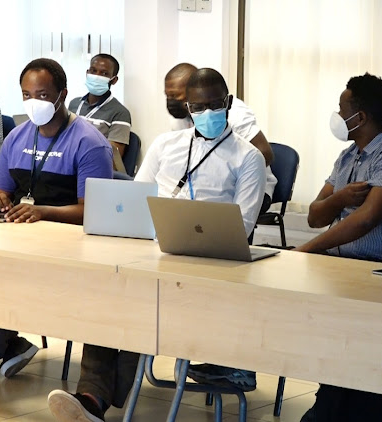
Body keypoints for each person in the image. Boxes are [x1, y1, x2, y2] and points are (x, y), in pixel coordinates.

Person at [47, 68, 266, 422]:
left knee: (145, 302)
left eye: (214, 105)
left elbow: (241, 227)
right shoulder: (167, 145)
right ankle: (92, 397)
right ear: (188, 108)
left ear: (227, 103)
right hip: (151, 250)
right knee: (109, 291)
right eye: (198, 107)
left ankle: (94, 401)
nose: (207, 113)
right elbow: (135, 197)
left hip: (206, 264)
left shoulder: (248, 158)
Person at [0, 58, 113, 380]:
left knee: (2, 275)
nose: (33, 103)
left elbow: (95, 211)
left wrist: (43, 212)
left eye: (42, 95)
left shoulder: (89, 143)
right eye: (26, 95)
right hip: (20, 235)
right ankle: (11, 344)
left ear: (62, 95)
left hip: (70, 246)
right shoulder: (18, 136)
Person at [295, 73, 382, 422]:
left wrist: (307, 250)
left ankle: (334, 407)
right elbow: (314, 215)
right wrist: (339, 197)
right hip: (343, 270)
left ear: (362, 117)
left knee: (352, 347)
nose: (337, 116)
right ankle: (333, 402)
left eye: (342, 109)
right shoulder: (346, 158)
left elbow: (366, 219)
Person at [165, 62, 276, 213]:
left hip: (246, 185)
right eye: (168, 95)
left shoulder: (232, 112)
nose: (171, 102)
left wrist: (220, 178)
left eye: (175, 95)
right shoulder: (180, 117)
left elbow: (265, 154)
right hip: (200, 185)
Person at [68, 53, 132, 159]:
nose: (97, 76)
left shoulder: (120, 112)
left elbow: (113, 157)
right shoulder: (74, 104)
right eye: (93, 71)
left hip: (93, 165)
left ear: (114, 80)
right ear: (87, 73)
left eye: (104, 73)